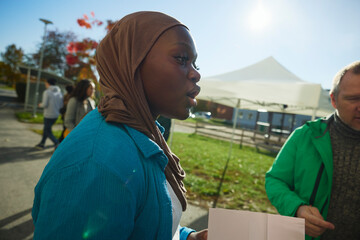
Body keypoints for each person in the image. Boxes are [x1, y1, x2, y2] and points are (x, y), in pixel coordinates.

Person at [32, 11, 207, 240]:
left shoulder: (142, 134)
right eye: (182, 59)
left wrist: (188, 237)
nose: (196, 74)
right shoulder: (95, 164)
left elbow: (147, 225)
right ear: (131, 63)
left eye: (195, 63)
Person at [265, 61, 360, 240]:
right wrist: (297, 208)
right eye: (353, 99)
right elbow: (275, 180)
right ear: (334, 100)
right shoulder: (305, 136)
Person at [35, 78, 63, 150]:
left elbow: (45, 104)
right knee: (46, 129)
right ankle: (42, 143)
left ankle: (57, 143)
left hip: (48, 115)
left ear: (48, 83)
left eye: (45, 83)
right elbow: (61, 105)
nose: (45, 85)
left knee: (47, 131)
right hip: (56, 115)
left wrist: (40, 105)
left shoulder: (47, 92)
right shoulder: (59, 93)